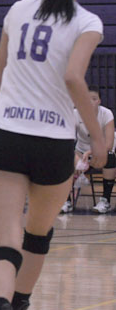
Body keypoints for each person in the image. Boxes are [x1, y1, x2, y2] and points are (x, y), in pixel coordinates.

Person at [0, 0, 104, 310]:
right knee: (37, 237)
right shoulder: (88, 22)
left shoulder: (16, 10)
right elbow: (74, 76)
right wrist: (100, 137)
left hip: (6, 135)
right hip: (54, 142)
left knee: (6, 247)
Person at [60, 85, 115, 214]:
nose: (90, 102)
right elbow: (66, 139)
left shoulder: (106, 114)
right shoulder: (75, 114)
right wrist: (75, 156)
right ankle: (66, 201)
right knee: (64, 157)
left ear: (99, 101)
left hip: (100, 152)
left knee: (110, 157)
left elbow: (109, 144)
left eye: (94, 98)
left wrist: (91, 152)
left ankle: (105, 201)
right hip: (81, 151)